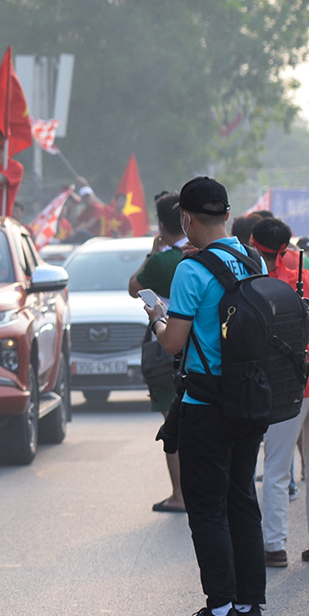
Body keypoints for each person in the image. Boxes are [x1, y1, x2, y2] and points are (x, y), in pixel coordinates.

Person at [146, 177, 268, 616]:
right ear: (228, 215)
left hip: (205, 404)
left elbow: (173, 342)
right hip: (249, 400)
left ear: (187, 219)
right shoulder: (249, 258)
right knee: (242, 499)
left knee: (207, 507)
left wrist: (157, 316)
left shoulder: (190, 271)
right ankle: (249, 608)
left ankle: (219, 613)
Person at [252, 215, 309, 567]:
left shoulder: (259, 283)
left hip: (289, 385)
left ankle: (273, 547)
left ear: (256, 247)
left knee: (275, 467)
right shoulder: (301, 274)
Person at [129, 191, 189, 512]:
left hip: (168, 351)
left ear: (161, 224)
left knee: (173, 424)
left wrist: (153, 253)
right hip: (204, 351)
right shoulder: (202, 254)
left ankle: (179, 495)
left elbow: (133, 286)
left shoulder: (164, 261)